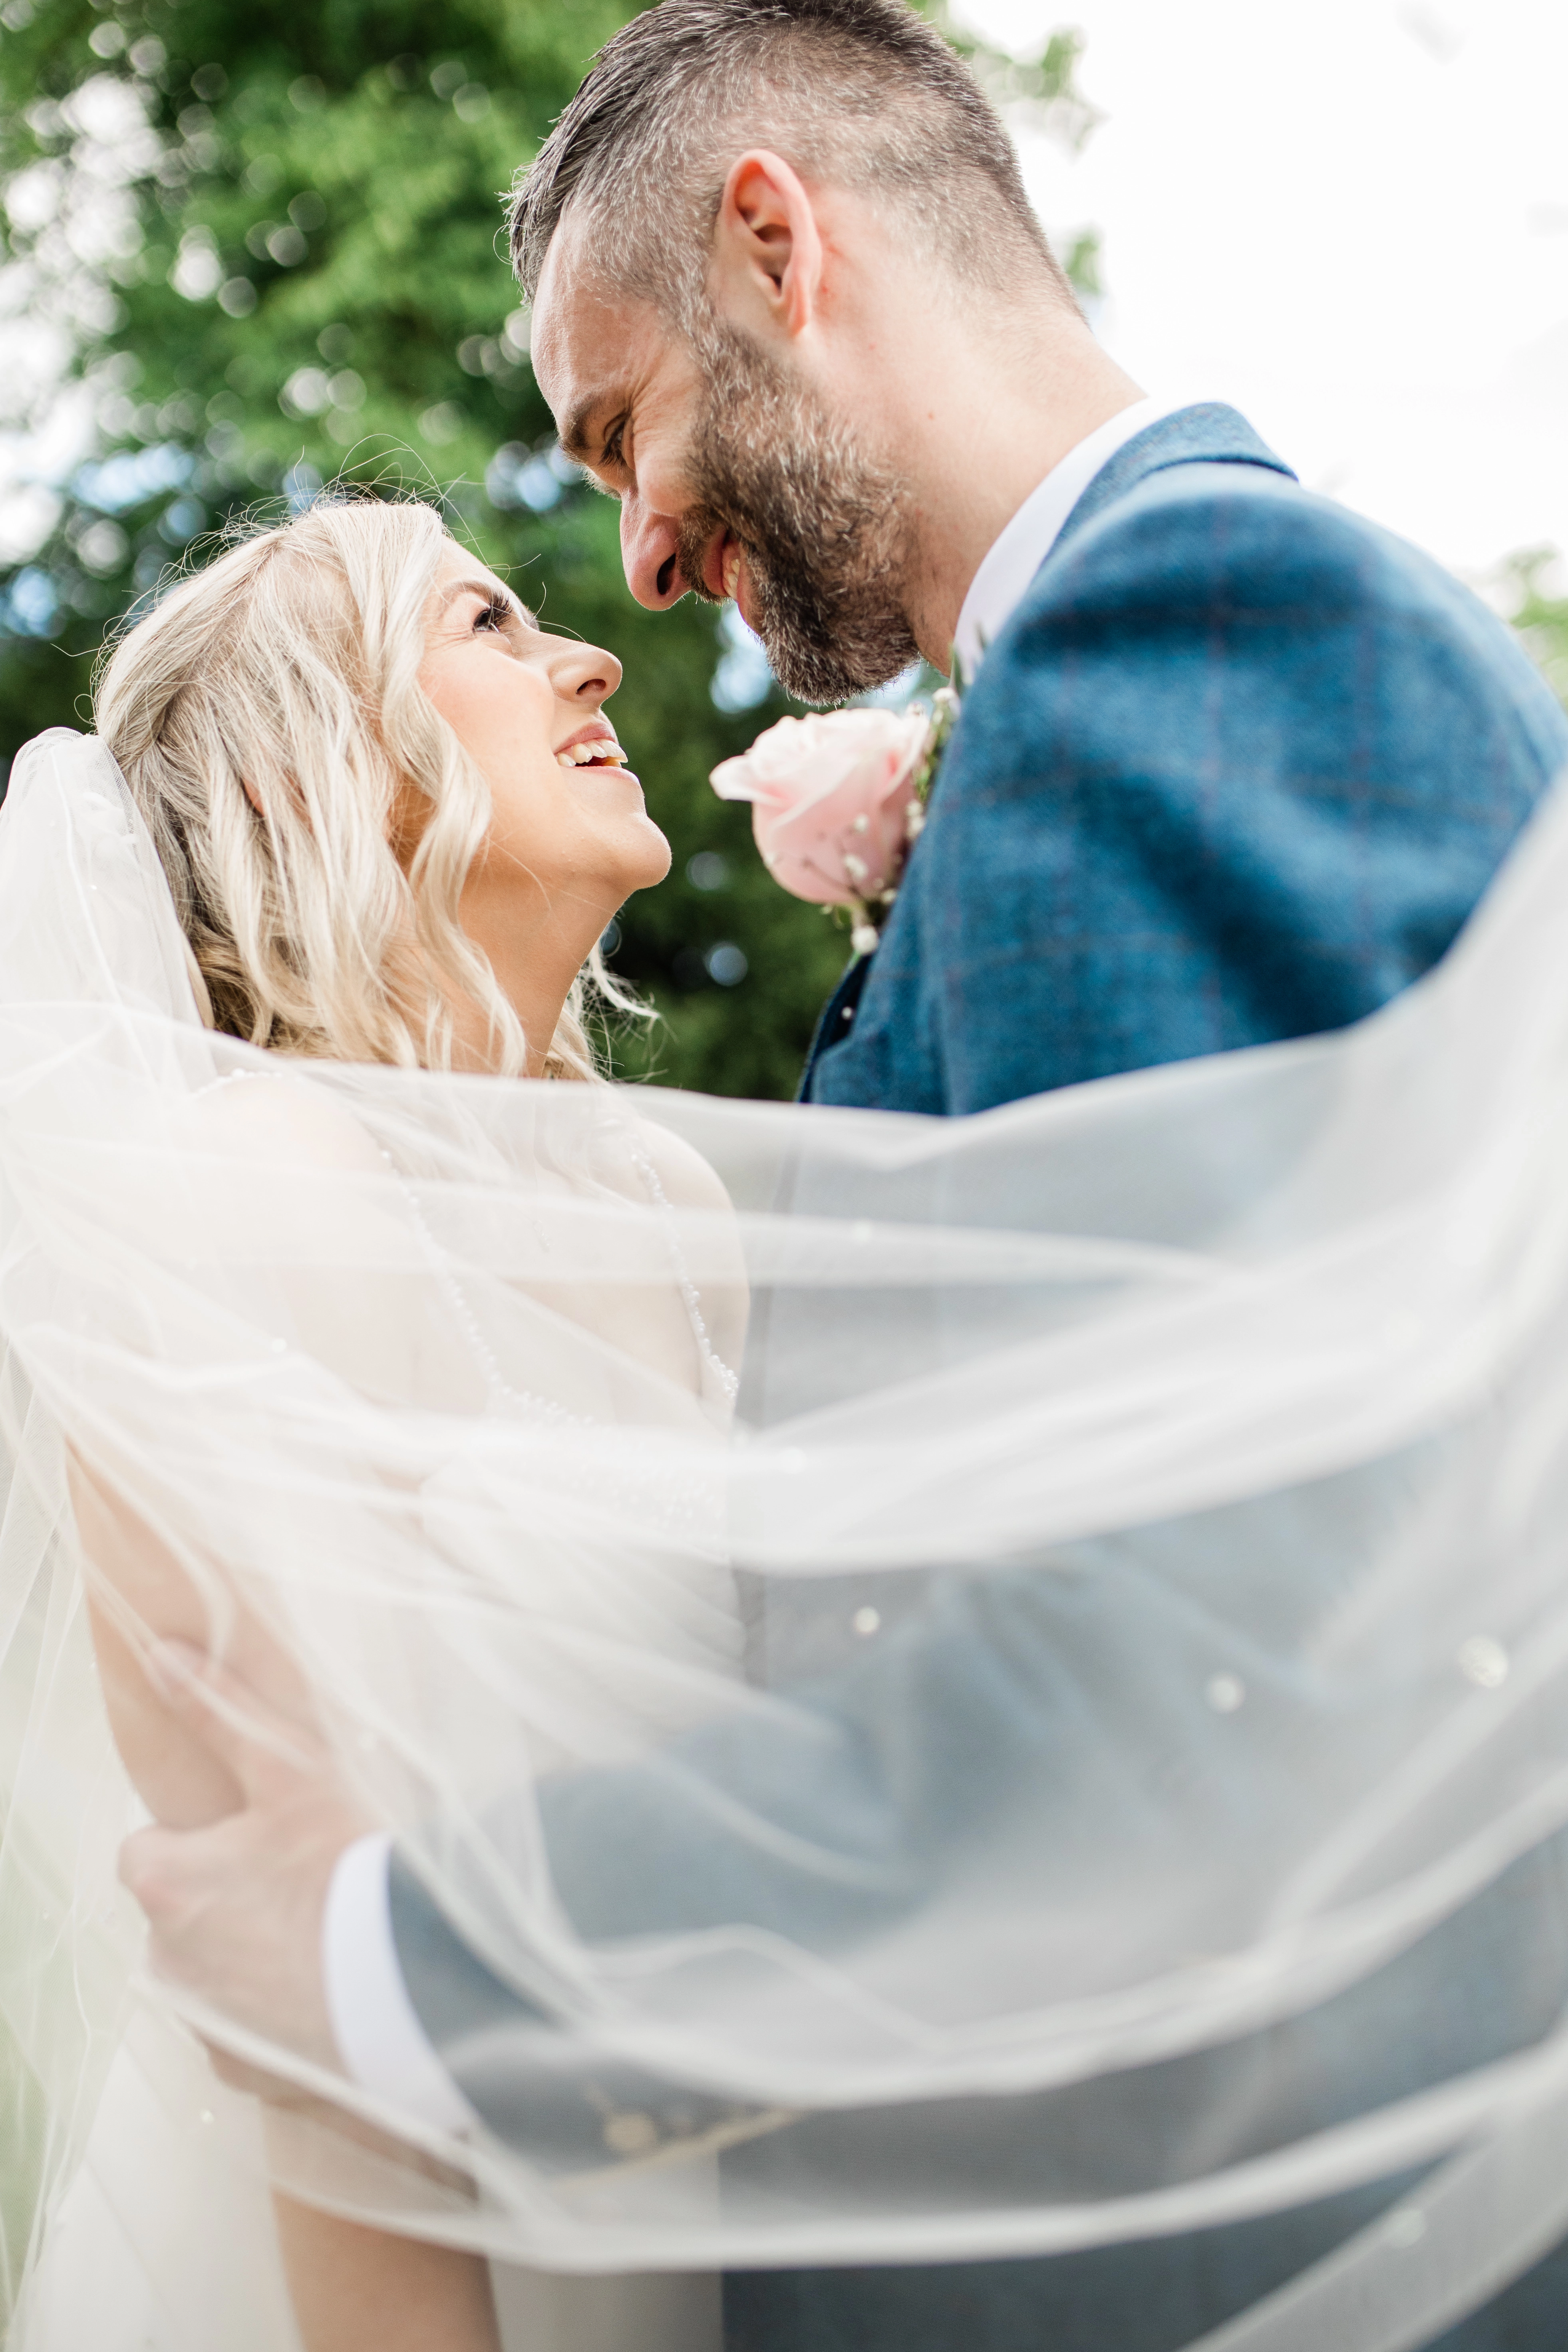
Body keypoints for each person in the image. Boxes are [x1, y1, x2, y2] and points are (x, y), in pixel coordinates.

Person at [43, 0, 1568, 2347]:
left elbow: (1175, 1685)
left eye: (620, 431)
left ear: (776, 243)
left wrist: (375, 1956)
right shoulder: (1122, 695)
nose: (635, 565)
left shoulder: (1182, 642)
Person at [0, 494, 746, 2352]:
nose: (587, 658)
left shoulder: (666, 1199)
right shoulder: (244, 1186)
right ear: (295, 784)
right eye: (484, 627)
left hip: (675, 2210)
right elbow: (291, 1992)